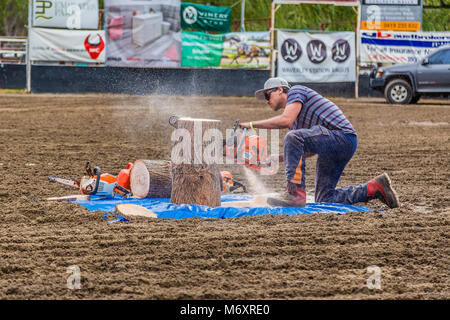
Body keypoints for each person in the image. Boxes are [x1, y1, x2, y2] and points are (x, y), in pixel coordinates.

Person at [239, 77, 399, 208]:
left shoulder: (296, 91)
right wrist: (274, 158)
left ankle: (295, 194)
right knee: (324, 198)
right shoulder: (296, 124)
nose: (266, 101)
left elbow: (285, 122)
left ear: (280, 90)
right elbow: (306, 150)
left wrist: (251, 125)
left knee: (292, 137)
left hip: (341, 137)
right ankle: (373, 188)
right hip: (341, 143)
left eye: (267, 95)